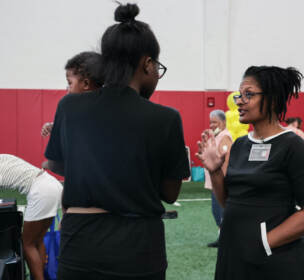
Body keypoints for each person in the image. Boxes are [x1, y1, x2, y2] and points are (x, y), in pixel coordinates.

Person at [44, 3, 189, 280]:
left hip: (79, 241)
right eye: (157, 66)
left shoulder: (69, 107)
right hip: (138, 245)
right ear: (147, 64)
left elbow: (60, 166)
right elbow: (170, 193)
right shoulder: (165, 118)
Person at [196, 66, 304, 280]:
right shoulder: (239, 145)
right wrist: (216, 172)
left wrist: (263, 243)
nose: (239, 101)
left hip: (274, 261)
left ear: (272, 100)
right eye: (239, 94)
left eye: (248, 94)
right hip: (234, 253)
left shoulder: (292, 145)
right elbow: (230, 202)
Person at [0, 154, 62, 280]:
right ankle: (43, 276)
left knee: (27, 244)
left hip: (41, 191)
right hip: (53, 184)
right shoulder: (4, 157)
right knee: (37, 240)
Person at [41, 51, 103, 137]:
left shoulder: (74, 106)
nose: (68, 89)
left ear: (86, 84)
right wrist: (54, 126)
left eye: (70, 83)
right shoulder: (75, 107)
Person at [203, 110, 232, 248]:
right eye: (211, 122)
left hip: (221, 181)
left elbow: (226, 159)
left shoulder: (225, 136)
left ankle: (225, 238)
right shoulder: (217, 135)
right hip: (215, 181)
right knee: (217, 210)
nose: (212, 125)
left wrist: (223, 180)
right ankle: (223, 237)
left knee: (219, 210)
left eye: (215, 122)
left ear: (224, 122)